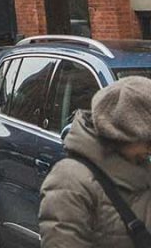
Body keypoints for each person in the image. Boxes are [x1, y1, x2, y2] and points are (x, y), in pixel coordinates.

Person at [39, 76, 151, 248]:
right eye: (147, 141)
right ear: (121, 135)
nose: (149, 150)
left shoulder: (142, 170)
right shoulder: (69, 181)